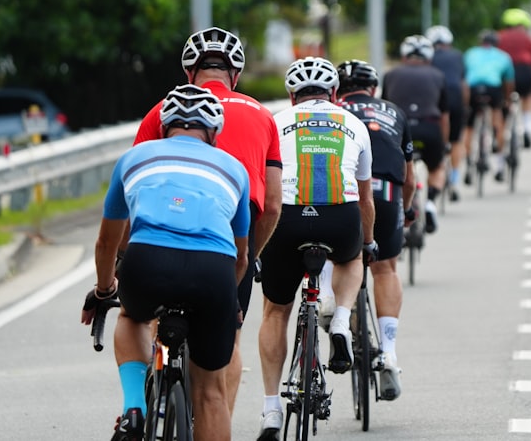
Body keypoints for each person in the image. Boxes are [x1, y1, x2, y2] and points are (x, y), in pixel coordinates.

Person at [81, 85, 250, 441]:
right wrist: (226, 301)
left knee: (131, 315)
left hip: (148, 261)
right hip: (213, 270)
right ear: (214, 133)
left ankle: (133, 409)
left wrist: (104, 289)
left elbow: (107, 241)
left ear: (163, 128)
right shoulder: (235, 169)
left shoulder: (135, 157)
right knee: (211, 394)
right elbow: (241, 254)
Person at [132, 26, 282, 416]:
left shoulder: (162, 111)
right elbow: (274, 204)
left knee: (148, 317)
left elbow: (137, 185)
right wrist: (253, 255)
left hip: (162, 232)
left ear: (189, 74)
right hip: (231, 238)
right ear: (235, 75)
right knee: (226, 341)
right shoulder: (263, 115)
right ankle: (217, 420)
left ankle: (149, 396)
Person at [257, 56, 376, 440]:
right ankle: (340, 320)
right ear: (335, 94)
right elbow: (365, 199)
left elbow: (265, 189)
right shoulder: (354, 123)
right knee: (352, 257)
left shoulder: (275, 121)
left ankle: (272, 409)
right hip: (339, 217)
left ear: (292, 95)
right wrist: (368, 240)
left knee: (276, 310)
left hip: (287, 219)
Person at [335, 59, 414, 400]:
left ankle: (329, 305)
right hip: (388, 193)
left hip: (347, 193)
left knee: (338, 252)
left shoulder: (333, 111)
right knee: (386, 269)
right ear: (374, 89)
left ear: (338, 89)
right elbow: (409, 176)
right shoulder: (393, 111)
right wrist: (407, 210)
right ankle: (390, 352)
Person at [381, 35, 449, 232]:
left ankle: (399, 206)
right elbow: (444, 115)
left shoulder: (391, 74)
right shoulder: (438, 75)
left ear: (404, 55)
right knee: (437, 167)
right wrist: (443, 144)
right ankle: (430, 204)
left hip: (399, 130)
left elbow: (385, 108)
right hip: (429, 128)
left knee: (396, 170)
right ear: (429, 57)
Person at [463, 29, 515, 183]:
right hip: (493, 89)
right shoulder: (503, 56)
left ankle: (468, 164)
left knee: (469, 127)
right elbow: (509, 82)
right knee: (497, 117)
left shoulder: (470, 53)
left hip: (473, 89)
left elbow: (464, 76)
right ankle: (499, 165)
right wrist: (507, 100)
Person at [425, 24, 469, 201]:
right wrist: (465, 106)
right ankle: (455, 180)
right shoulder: (458, 56)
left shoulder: (429, 58)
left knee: (438, 138)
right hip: (456, 98)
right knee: (456, 140)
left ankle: (437, 173)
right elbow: (464, 84)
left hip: (435, 100)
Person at [497, 8, 531, 148]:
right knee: (527, 96)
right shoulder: (529, 39)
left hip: (506, 75)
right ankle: (527, 128)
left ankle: (498, 135)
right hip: (524, 71)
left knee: (502, 104)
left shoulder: (500, 36)